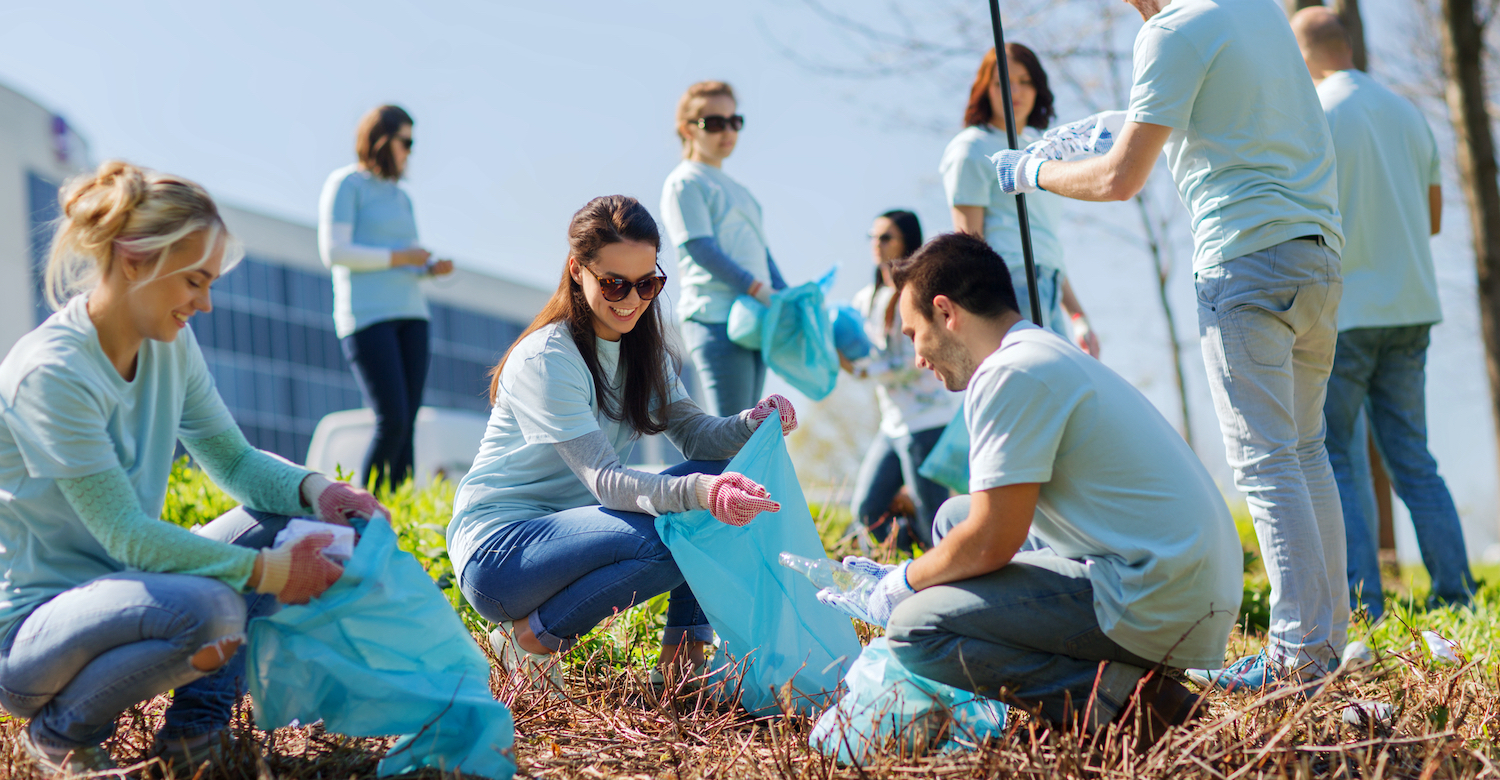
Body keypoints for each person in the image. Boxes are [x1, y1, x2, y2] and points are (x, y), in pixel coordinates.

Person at [989, 0, 1347, 689]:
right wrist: (1126, 114)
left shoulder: (1171, 28)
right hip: (1316, 256)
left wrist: (1034, 171)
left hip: (1243, 263)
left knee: (1267, 461)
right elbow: (1233, 115)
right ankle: (1321, 648)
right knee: (1306, 452)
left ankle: (1296, 661)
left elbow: (1121, 180)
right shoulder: (1256, 9)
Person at [0, 162, 390, 776]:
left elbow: (232, 460)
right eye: (193, 281)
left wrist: (319, 491)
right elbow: (126, 534)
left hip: (134, 587)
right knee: (212, 609)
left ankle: (193, 741)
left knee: (304, 523)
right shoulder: (53, 373)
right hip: (34, 631)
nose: (204, 304)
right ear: (133, 259)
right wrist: (270, 571)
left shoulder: (170, 343)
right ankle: (60, 736)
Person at [819, 233, 1241, 747]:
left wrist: (903, 582)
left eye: (913, 334)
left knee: (915, 629)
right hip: (1177, 579)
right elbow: (979, 528)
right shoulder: (1039, 353)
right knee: (953, 518)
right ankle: (1109, 682)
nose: (917, 357)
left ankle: (1130, 702)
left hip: (1158, 596)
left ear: (946, 312)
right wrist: (924, 575)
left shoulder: (1010, 374)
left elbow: (992, 541)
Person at [447, 195, 796, 691]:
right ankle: (530, 637)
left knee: (720, 483)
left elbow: (699, 436)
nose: (631, 299)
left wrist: (751, 422)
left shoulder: (644, 353)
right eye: (613, 283)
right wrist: (699, 495)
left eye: (647, 283)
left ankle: (683, 667)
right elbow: (606, 482)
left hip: (574, 537)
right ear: (577, 269)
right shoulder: (548, 358)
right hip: (501, 556)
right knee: (682, 533)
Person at [1290, 7, 1476, 622]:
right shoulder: (1408, 112)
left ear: (1307, 53)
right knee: (1413, 457)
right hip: (1413, 308)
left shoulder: (1315, 114)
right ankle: (1457, 593)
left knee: (1336, 454)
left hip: (1347, 311)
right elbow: (1432, 220)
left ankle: (1365, 603)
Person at [318, 104, 454, 492]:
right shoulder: (346, 184)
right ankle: (365, 511)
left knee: (407, 421)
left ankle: (399, 514)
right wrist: (400, 257)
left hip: (412, 314)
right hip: (367, 318)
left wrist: (427, 266)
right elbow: (335, 251)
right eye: (405, 141)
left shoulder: (401, 197)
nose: (409, 151)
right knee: (391, 418)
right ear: (381, 140)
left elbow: (409, 256)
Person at [941, 44, 1100, 355]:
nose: (1015, 91)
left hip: (1048, 285)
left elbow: (1045, 244)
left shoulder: (1039, 152)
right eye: (1002, 82)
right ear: (985, 89)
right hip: (1010, 285)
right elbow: (968, 244)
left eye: (1025, 81)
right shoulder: (972, 148)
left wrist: (1078, 315)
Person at [660, 81, 789, 416]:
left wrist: (786, 296)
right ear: (687, 129)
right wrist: (758, 288)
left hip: (755, 317)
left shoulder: (741, 190)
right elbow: (700, 248)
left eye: (735, 121)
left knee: (746, 432)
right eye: (715, 122)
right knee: (730, 435)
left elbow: (762, 253)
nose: (728, 131)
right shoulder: (685, 181)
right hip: (715, 317)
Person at [847, 210, 960, 549]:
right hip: (892, 423)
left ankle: (947, 581)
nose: (876, 245)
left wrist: (864, 370)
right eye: (873, 237)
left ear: (905, 242)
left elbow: (918, 358)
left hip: (926, 420)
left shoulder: (918, 293)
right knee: (866, 511)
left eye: (886, 237)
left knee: (934, 520)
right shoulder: (865, 297)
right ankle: (912, 571)